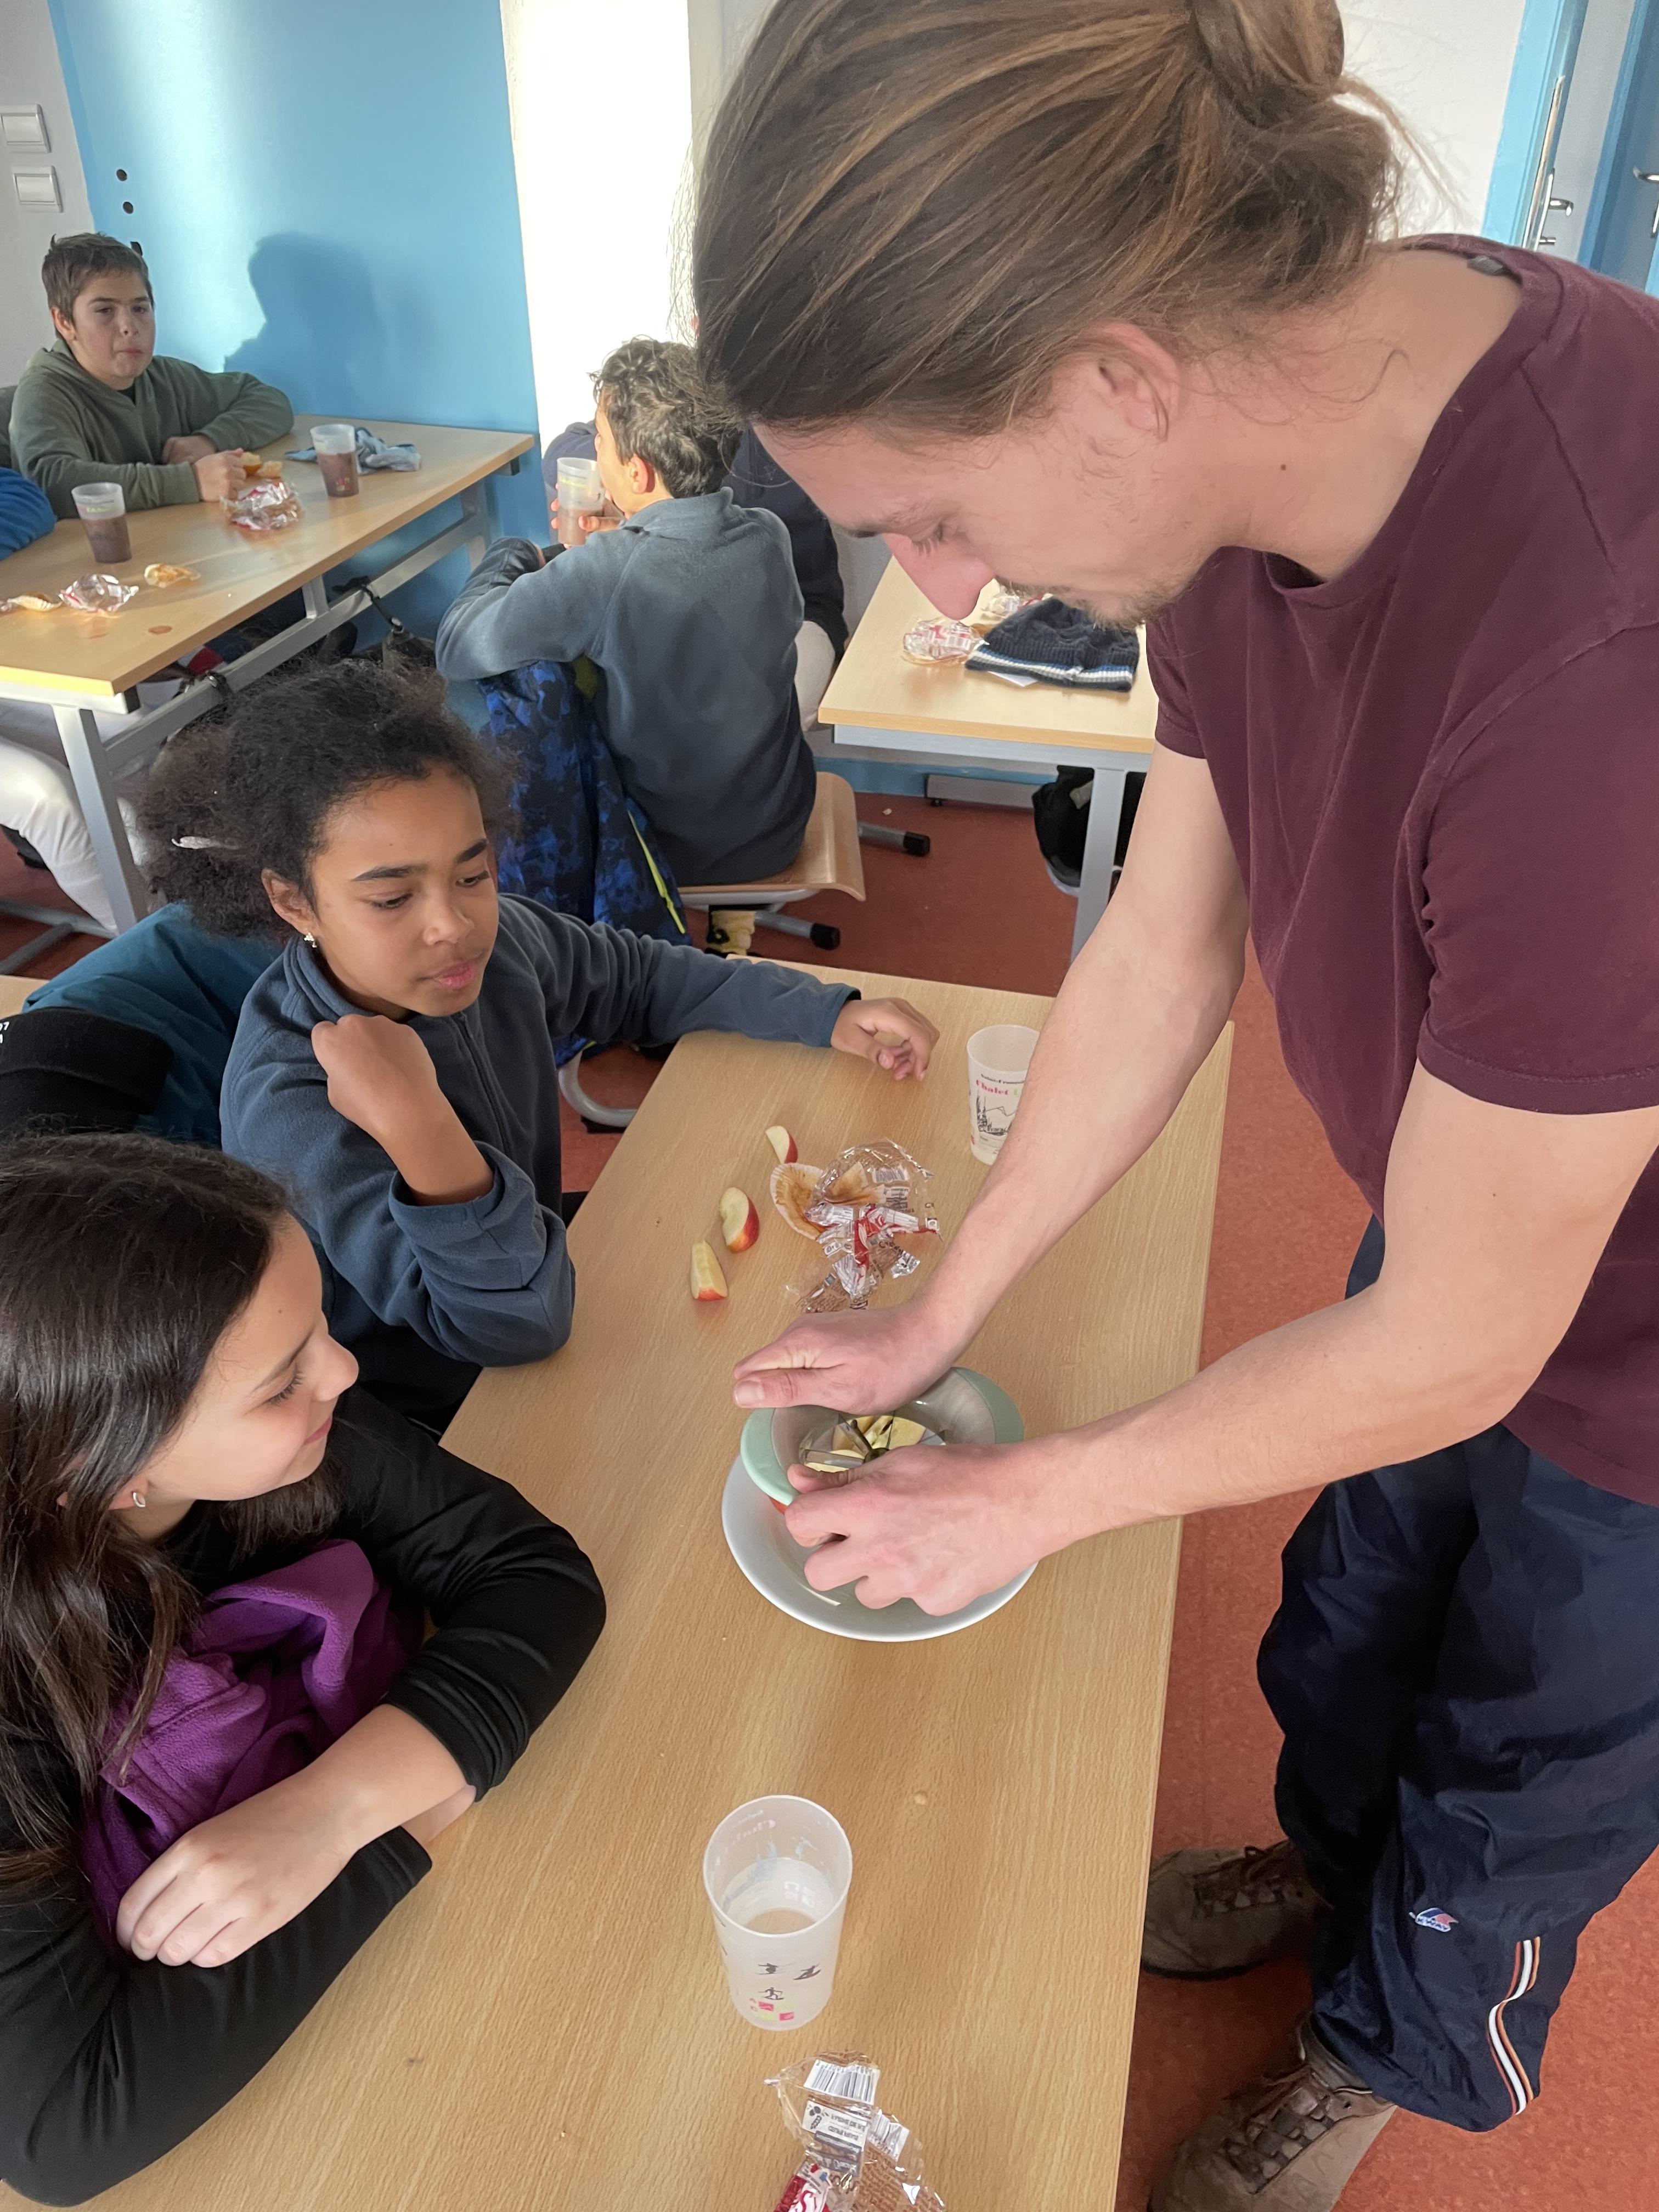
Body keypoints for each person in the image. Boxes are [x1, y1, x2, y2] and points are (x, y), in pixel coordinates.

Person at [698, 3, 1659, 2208]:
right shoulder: (1245, 432)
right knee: (1355, 1612)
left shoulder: (1599, 660)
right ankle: (1325, 1874)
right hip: (1472, 1204)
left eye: (933, 513)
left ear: (1114, 378)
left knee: (1524, 1762)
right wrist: (944, 1308)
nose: (938, 587)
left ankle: (1380, 2049)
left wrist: (1028, 1499)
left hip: (1629, 1343)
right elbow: (1160, 944)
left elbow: (1469, 1343)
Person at [0, 1133, 605, 2203]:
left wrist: (333, 1811)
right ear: (110, 1469)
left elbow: (533, 1572)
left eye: (317, 1326)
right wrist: (397, 1828)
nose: (343, 1369)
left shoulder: (296, 1426)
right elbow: (63, 2130)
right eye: (284, 1381)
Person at [144, 658, 936, 1430]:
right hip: (438, 1400)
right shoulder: (291, 1104)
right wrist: (420, 1128)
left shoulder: (502, 948)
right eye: (391, 898)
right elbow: (507, 1331)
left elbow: (641, 979)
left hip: (538, 1266)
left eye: (472, 875)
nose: (453, 925)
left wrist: (823, 1013)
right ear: (293, 901)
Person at [436, 337, 817, 885]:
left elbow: (457, 646)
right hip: (778, 830)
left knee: (536, 691)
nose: (594, 450)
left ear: (637, 473)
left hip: (668, 854)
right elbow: (686, 571)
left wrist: (517, 551)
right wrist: (629, 530)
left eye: (600, 439)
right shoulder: (768, 535)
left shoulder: (604, 571)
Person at [540, 415, 848, 724]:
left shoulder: (778, 440)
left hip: (797, 613)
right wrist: (620, 481)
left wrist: (630, 520)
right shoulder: (670, 414)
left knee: (751, 714)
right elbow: (564, 449)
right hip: (684, 607)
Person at [10, 234, 294, 516]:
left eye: (140, 308)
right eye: (105, 310)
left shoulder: (163, 376)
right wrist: (191, 482)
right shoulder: (44, 391)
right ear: (64, 322)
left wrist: (208, 441)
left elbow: (270, 401)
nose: (130, 326)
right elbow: (52, 483)